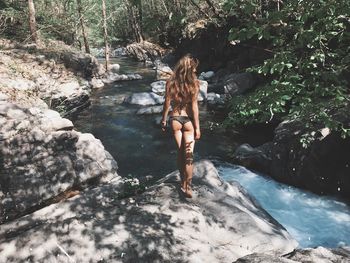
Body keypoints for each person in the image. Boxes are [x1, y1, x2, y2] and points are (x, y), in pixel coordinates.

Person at [161, 54, 201, 198]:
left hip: (176, 120)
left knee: (181, 153)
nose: (195, 71)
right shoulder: (195, 84)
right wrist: (197, 128)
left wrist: (164, 119)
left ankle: (182, 182)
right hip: (189, 121)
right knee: (189, 155)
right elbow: (195, 108)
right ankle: (187, 187)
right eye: (194, 69)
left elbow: (167, 103)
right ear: (190, 70)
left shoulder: (170, 82)